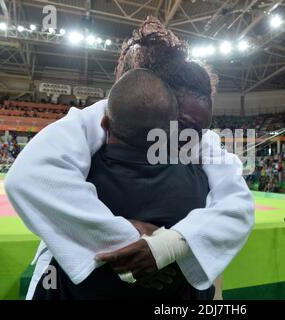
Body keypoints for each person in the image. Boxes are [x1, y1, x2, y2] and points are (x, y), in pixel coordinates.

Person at [5, 17, 254, 299]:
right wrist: (130, 240)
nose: (194, 137)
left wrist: (168, 245)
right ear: (157, 98)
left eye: (201, 128)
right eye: (185, 124)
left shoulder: (199, 138)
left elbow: (238, 203)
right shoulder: (98, 117)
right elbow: (28, 177)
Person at [32, 69, 214, 299]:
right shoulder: (202, 183)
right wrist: (159, 248)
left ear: (105, 123)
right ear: (168, 131)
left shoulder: (73, 180)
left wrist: (122, 235)